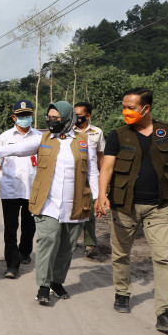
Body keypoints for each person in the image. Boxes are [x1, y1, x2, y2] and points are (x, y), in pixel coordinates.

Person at [0, 101, 98, 306]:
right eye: (48, 117)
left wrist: (99, 197)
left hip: (76, 203)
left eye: (55, 118)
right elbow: (19, 148)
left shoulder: (84, 141)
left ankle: (57, 282)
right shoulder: (44, 139)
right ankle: (43, 285)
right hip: (48, 202)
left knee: (67, 246)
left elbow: (93, 171)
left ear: (67, 118)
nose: (50, 120)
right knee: (47, 242)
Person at [95, 87, 168, 334]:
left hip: (159, 205)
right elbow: (107, 168)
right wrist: (101, 195)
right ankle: (122, 292)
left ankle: (165, 312)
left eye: (131, 108)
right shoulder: (118, 135)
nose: (126, 111)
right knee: (121, 253)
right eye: (124, 107)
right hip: (124, 205)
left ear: (146, 108)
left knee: (163, 257)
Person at [0, 100, 41, 279]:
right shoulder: (5, 138)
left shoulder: (39, 137)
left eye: (27, 115)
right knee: (10, 228)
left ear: (32, 116)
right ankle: (12, 265)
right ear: (14, 117)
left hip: (32, 190)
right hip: (10, 190)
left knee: (29, 226)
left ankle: (25, 251)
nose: (24, 118)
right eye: (20, 115)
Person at [73, 101, 105, 259]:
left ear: (88, 116)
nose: (76, 118)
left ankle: (90, 243)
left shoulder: (97, 132)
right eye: (74, 115)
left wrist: (102, 181)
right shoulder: (69, 131)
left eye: (79, 115)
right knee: (71, 210)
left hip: (91, 177)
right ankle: (69, 242)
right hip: (72, 178)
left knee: (90, 211)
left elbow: (100, 157)